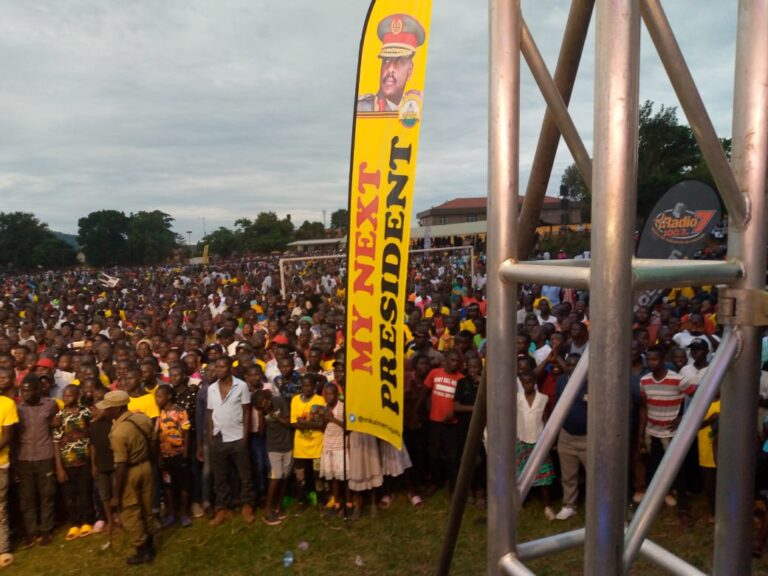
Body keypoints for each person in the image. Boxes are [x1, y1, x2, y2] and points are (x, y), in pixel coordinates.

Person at [97, 390, 156, 565]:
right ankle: (151, 543)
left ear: (117, 409)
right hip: (146, 466)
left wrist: (116, 495)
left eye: (108, 409)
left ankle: (142, 550)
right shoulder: (141, 418)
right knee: (147, 508)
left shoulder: (117, 433)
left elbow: (121, 465)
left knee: (130, 512)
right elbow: (153, 440)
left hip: (130, 472)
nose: (105, 411)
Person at [207, 357, 255, 526]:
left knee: (245, 475)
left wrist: (245, 437)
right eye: (216, 367)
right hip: (218, 437)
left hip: (237, 437)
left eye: (222, 366)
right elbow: (210, 414)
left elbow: (247, 412)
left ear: (230, 368)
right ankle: (222, 509)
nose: (218, 370)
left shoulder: (241, 386)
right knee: (220, 476)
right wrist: (210, 437)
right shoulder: (211, 388)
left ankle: (247, 505)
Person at [16, 375, 58, 548]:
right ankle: (32, 532)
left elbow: (56, 426)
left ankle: (46, 530)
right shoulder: (17, 409)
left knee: (47, 495)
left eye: (28, 390)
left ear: (37, 389)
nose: (24, 394)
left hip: (45, 455)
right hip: (24, 457)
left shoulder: (50, 404)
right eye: (22, 390)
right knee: (27, 498)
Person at [357, 14, 426, 113]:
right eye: (386, 60)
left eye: (399, 61)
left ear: (410, 71)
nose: (390, 69)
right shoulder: (362, 108)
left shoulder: (415, 107)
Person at [53, 384, 94, 540]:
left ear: (77, 396)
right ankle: (74, 523)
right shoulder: (59, 416)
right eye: (64, 395)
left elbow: (91, 435)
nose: (66, 398)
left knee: (84, 492)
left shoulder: (85, 412)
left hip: (84, 460)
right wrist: (59, 467)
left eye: (70, 395)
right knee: (69, 496)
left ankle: (86, 521)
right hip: (66, 462)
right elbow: (56, 441)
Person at [517, 372, 556, 519]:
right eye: (523, 383)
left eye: (529, 382)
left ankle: (547, 505)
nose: (526, 385)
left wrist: (548, 439)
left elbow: (546, 420)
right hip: (521, 439)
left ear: (534, 382)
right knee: (520, 472)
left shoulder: (543, 399)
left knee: (543, 474)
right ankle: (520, 500)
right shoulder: (517, 399)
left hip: (539, 440)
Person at [155, 384, 192, 528]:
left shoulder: (179, 411)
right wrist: (159, 455)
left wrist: (185, 452)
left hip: (178, 454)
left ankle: (184, 513)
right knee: (168, 485)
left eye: (159, 396)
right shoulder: (159, 413)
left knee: (183, 484)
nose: (157, 399)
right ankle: (171, 513)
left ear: (169, 396)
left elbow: (187, 431)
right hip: (165, 456)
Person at [290, 373, 326, 514]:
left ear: (314, 386)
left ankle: (321, 500)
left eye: (309, 385)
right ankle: (301, 501)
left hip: (317, 445)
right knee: (300, 476)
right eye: (304, 385)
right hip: (300, 447)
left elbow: (321, 423)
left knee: (318, 476)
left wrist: (304, 422)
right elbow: (293, 423)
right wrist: (311, 424)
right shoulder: (295, 401)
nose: (307, 388)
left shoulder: (320, 400)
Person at [320, 382, 347, 518]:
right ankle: (336, 502)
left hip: (340, 447)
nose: (329, 397)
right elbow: (323, 426)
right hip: (328, 446)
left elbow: (348, 426)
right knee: (334, 478)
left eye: (332, 394)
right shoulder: (325, 408)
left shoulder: (342, 408)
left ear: (337, 395)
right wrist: (324, 419)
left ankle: (348, 502)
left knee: (344, 477)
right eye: (327, 394)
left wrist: (333, 419)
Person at [0, 366, 17, 568]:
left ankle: (3, 548)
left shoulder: (7, 404)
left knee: (0, 508)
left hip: (1, 462)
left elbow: (7, 435)